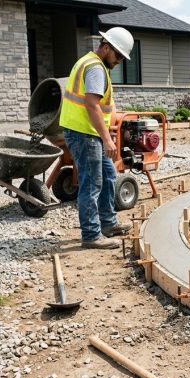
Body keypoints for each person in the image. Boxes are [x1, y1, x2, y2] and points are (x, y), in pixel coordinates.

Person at [59, 27, 135, 249]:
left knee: (109, 175)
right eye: (118, 55)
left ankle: (108, 224)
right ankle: (91, 235)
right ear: (106, 47)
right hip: (83, 133)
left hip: (87, 131)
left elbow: (100, 106)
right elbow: (91, 105)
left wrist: (106, 128)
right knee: (91, 182)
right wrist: (108, 139)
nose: (120, 60)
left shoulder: (92, 63)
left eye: (123, 56)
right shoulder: (95, 68)